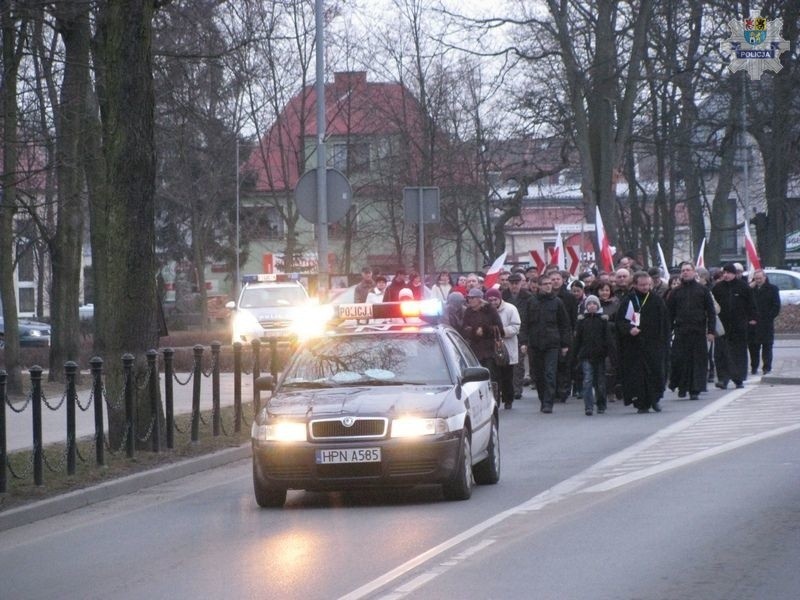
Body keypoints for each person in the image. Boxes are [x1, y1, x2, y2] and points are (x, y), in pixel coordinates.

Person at [617, 271, 670, 413]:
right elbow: (620, 321)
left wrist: (664, 342)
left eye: (647, 285)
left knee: (655, 373)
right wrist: (629, 329)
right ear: (635, 284)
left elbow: (665, 323)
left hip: (653, 344)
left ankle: (655, 399)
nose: (645, 288)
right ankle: (641, 403)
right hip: (634, 345)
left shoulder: (657, 300)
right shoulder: (629, 300)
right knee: (637, 376)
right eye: (642, 285)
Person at [521, 273, 571, 414]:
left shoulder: (557, 302)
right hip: (535, 344)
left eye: (550, 283)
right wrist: (524, 341)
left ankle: (548, 403)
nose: (549, 286)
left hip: (552, 343)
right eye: (546, 284)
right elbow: (524, 323)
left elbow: (564, 324)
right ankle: (543, 399)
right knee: (538, 374)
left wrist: (565, 344)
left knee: (550, 373)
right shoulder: (531, 302)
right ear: (539, 286)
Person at [666, 262, 716, 400]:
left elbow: (711, 312)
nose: (685, 272)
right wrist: (668, 331)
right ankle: (682, 386)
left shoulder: (703, 290)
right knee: (680, 360)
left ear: (694, 272)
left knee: (697, 362)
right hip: (681, 331)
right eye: (683, 270)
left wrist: (711, 331)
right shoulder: (676, 292)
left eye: (688, 270)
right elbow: (669, 314)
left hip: (698, 331)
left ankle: (695, 389)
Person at [712, 263, 757, 389]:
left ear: (734, 274)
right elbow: (712, 306)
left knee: (738, 353)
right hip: (722, 326)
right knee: (722, 353)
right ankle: (723, 379)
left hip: (739, 326)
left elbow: (751, 304)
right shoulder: (718, 288)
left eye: (728, 273)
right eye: (724, 273)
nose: (726, 275)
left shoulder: (743, 287)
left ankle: (738, 378)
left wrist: (752, 318)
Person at [573, 295, 615, 415]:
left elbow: (608, 340)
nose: (592, 306)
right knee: (587, 381)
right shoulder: (581, 322)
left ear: (598, 306)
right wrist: (574, 356)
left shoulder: (602, 321)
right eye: (589, 304)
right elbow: (577, 341)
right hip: (586, 356)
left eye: (594, 304)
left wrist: (612, 356)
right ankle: (589, 406)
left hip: (600, 356)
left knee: (600, 382)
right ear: (586, 306)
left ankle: (601, 404)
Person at [461, 287, 505, 387]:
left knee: (491, 378)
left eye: (473, 298)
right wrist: (474, 331)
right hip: (474, 351)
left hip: (490, 351)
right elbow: (464, 329)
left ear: (480, 299)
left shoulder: (490, 310)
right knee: (476, 380)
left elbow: (500, 330)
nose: (470, 300)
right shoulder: (468, 311)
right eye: (469, 298)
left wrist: (484, 329)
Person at [485, 288, 521, 409]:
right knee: (494, 376)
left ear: (500, 299)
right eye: (490, 300)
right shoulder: (486, 311)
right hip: (491, 348)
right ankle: (496, 399)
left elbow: (516, 326)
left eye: (495, 299)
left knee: (507, 375)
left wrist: (502, 332)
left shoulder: (510, 309)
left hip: (507, 347)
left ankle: (508, 398)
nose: (493, 302)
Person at [503, 272, 532, 400]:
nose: (514, 286)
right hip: (506, 333)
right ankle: (508, 388)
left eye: (517, 283)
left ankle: (517, 389)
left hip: (522, 333)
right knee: (506, 362)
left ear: (521, 283)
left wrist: (526, 339)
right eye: (512, 283)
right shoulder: (503, 296)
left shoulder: (528, 297)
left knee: (518, 363)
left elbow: (529, 318)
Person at [748, 269, 781, 374]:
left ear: (765, 278)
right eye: (756, 278)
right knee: (753, 347)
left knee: (767, 346)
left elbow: (776, 306)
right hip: (753, 323)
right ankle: (754, 366)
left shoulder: (772, 289)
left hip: (766, 322)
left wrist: (769, 317)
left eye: (760, 278)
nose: (758, 280)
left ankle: (767, 367)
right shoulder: (751, 290)